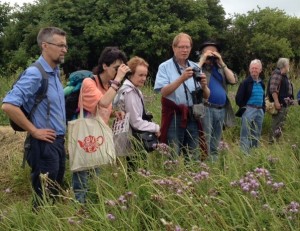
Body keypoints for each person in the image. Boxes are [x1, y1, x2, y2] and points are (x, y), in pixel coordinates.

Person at [2, 27, 68, 209]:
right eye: (60, 45)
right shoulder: (35, 73)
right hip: (43, 145)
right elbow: (8, 104)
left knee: (53, 193)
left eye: (66, 45)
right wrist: (34, 131)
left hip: (57, 142)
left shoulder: (54, 73)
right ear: (45, 46)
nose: (65, 49)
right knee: (43, 198)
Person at [72, 47, 130, 204]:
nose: (119, 72)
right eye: (116, 68)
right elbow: (103, 102)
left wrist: (114, 114)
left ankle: (91, 208)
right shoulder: (89, 82)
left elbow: (101, 108)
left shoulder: (107, 87)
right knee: (82, 176)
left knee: (95, 178)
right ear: (105, 66)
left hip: (98, 137)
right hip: (85, 136)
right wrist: (118, 80)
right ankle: (78, 210)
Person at [154, 32, 210, 161]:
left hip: (193, 115)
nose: (184, 50)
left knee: (194, 155)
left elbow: (206, 96)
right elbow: (163, 92)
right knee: (172, 154)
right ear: (174, 48)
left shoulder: (195, 67)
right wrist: (182, 78)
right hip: (174, 116)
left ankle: (193, 178)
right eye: (181, 47)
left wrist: (204, 86)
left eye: (187, 47)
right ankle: (171, 180)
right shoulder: (165, 67)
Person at [114, 56, 161, 172]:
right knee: (136, 172)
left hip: (129, 139)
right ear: (130, 74)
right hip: (132, 140)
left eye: (145, 75)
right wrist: (156, 127)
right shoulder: (129, 92)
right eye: (140, 75)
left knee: (134, 171)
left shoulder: (132, 89)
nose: (144, 78)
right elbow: (135, 122)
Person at [198, 41, 237, 161]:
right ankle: (203, 167)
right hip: (206, 108)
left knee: (216, 141)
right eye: (208, 51)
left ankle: (213, 167)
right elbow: (191, 75)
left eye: (214, 52)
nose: (211, 54)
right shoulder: (199, 67)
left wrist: (222, 62)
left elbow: (233, 80)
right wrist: (203, 59)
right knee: (205, 141)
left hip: (221, 109)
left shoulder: (220, 69)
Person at [235, 59, 265, 154]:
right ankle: (245, 154)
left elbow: (263, 97)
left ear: (260, 70)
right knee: (246, 133)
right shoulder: (245, 83)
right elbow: (238, 98)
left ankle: (254, 153)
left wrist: (263, 109)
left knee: (256, 133)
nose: (254, 70)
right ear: (249, 69)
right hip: (249, 109)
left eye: (256, 68)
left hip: (259, 110)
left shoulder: (262, 83)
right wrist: (245, 108)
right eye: (252, 68)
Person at [268, 58, 294, 143]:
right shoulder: (277, 74)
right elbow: (273, 89)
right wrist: (276, 102)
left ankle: (276, 143)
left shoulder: (284, 75)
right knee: (276, 124)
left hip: (284, 104)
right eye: (288, 64)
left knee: (280, 125)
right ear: (284, 65)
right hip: (279, 105)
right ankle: (272, 143)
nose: (289, 66)